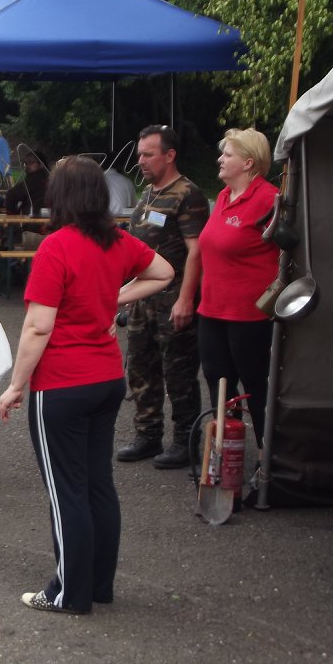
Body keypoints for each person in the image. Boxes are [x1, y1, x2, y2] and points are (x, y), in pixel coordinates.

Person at [0, 156, 173, 614]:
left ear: (60, 196)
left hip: (61, 384)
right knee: (98, 485)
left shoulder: (55, 247)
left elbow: (38, 327)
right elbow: (164, 272)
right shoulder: (118, 240)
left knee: (66, 491)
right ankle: (97, 585)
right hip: (106, 379)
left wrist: (16, 385)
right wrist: (115, 297)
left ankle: (67, 593)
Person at [117, 125, 210, 469]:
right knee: (141, 368)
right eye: (139, 154)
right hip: (144, 300)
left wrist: (186, 300)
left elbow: (196, 251)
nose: (141, 160)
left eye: (148, 154)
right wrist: (128, 292)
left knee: (179, 372)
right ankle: (148, 434)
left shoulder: (187, 193)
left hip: (173, 300)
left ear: (169, 155)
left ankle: (185, 440)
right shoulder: (148, 193)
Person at [197, 128, 280, 451]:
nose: (220, 159)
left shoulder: (269, 199)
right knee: (218, 385)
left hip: (249, 315)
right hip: (212, 310)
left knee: (256, 387)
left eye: (227, 154)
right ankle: (223, 456)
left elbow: (292, 254)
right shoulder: (223, 196)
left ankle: (267, 459)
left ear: (248, 163)